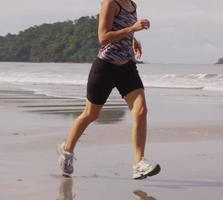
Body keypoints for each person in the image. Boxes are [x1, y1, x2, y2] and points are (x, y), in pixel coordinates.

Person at [56, 0, 160, 180]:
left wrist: (133, 40)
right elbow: (103, 37)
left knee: (141, 111)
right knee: (91, 115)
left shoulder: (132, 4)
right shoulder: (110, 2)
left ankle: (139, 163)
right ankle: (67, 150)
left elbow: (124, 28)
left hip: (127, 67)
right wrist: (132, 29)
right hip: (105, 68)